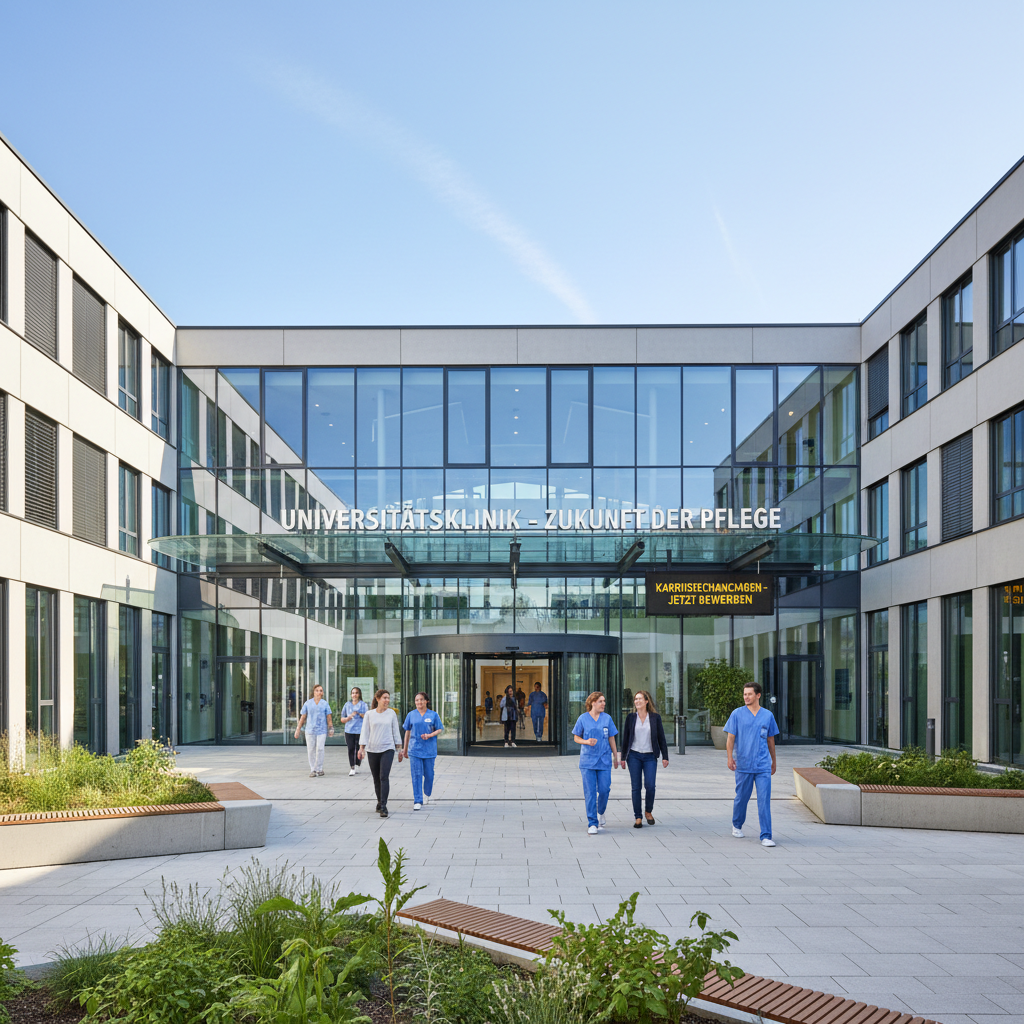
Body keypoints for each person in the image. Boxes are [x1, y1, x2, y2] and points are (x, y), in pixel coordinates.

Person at [725, 681, 779, 847]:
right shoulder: (737, 714)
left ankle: (766, 835)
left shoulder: (767, 716)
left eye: (749, 694)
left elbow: (771, 740)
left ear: (758, 695)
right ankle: (737, 824)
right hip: (743, 764)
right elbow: (730, 738)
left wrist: (773, 761)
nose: (746, 697)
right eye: (744, 694)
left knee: (764, 800)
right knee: (742, 798)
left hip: (762, 765)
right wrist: (729, 758)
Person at [619, 690, 670, 828]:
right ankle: (638, 816)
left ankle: (648, 811)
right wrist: (623, 757)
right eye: (636, 699)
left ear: (647, 701)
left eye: (640, 699)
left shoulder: (655, 718)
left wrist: (665, 756)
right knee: (636, 787)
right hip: (634, 756)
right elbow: (625, 738)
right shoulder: (631, 717)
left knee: (650, 785)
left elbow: (661, 738)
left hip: (650, 756)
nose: (637, 701)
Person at [572, 691, 619, 834]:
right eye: (600, 701)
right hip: (588, 761)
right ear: (593, 703)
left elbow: (611, 738)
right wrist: (586, 741)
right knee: (590, 793)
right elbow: (576, 737)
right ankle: (592, 823)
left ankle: (601, 811)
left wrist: (616, 756)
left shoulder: (607, 718)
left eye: (604, 701)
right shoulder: (583, 718)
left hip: (604, 760)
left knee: (604, 789)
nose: (603, 704)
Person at [358, 689, 404, 818]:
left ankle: (383, 806)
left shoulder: (391, 713)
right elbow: (365, 732)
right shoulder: (369, 714)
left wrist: (399, 749)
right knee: (376, 778)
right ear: (377, 699)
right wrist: (361, 748)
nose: (387, 700)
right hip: (372, 749)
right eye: (384, 698)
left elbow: (395, 731)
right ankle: (379, 801)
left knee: (384, 777)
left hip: (387, 748)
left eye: (388, 698)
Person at [402, 691, 444, 809]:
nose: (419, 702)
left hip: (429, 750)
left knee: (429, 774)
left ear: (426, 701)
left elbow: (439, 729)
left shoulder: (433, 715)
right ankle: (418, 800)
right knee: (416, 775)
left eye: (421, 699)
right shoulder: (411, 715)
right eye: (417, 700)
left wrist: (430, 735)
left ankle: (427, 794)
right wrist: (405, 749)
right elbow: (407, 732)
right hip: (414, 749)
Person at [294, 684, 334, 777]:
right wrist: (298, 729)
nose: (319, 692)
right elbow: (303, 717)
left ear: (322, 693)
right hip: (310, 730)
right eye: (317, 690)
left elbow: (329, 717)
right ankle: (313, 769)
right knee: (311, 749)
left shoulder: (325, 704)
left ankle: (319, 768)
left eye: (321, 690)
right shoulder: (308, 703)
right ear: (313, 692)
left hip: (322, 730)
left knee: (320, 748)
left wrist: (331, 728)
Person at [339, 686, 368, 776]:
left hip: (360, 730)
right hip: (349, 730)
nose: (354, 695)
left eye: (356, 693)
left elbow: (367, 717)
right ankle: (352, 767)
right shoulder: (347, 705)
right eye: (353, 693)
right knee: (351, 748)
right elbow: (342, 719)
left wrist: (359, 713)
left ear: (359, 694)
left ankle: (357, 764)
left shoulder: (363, 705)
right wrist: (349, 717)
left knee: (359, 749)